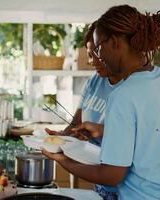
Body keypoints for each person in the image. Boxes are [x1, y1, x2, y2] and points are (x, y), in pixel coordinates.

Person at [43, 5, 160, 199]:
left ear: (115, 42)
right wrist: (102, 130)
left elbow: (111, 175)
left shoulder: (123, 95)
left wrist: (63, 160)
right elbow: (152, 136)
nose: (97, 57)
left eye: (98, 48)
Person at [45, 22, 121, 200]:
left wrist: (101, 130)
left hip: (122, 184)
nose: (92, 60)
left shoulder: (130, 88)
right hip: (99, 179)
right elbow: (76, 123)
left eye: (97, 53)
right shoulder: (95, 82)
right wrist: (61, 138)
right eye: (89, 54)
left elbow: (138, 133)